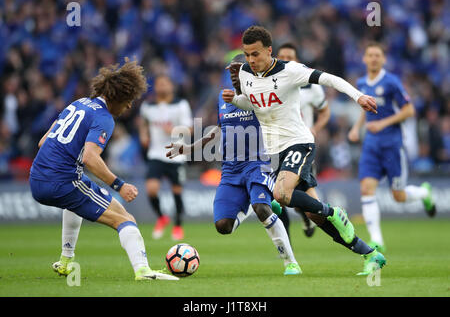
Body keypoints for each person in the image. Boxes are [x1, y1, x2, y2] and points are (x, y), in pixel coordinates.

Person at [223, 25, 384, 276]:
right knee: (314, 214)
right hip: (276, 152)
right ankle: (370, 254)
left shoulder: (291, 70)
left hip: (299, 142)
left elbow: (330, 79)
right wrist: (234, 99)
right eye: (247, 55)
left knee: (281, 195)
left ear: (269, 50)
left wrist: (358, 96)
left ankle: (334, 212)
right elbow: (252, 103)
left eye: (256, 54)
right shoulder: (244, 72)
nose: (251, 60)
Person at [29, 59, 178, 281]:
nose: (128, 107)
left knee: (75, 203)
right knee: (124, 218)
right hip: (62, 181)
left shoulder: (77, 103)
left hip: (36, 178)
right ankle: (143, 271)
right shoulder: (104, 118)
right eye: (128, 101)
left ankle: (65, 261)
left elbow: (43, 142)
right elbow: (90, 157)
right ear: (118, 97)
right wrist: (119, 184)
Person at [166, 53, 302, 276]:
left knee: (263, 210)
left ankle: (291, 262)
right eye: (231, 69)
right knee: (223, 226)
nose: (234, 73)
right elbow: (219, 129)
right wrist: (189, 148)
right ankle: (253, 201)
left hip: (259, 163)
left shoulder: (262, 94)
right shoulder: (223, 97)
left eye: (239, 68)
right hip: (230, 169)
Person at [348, 42, 436, 252]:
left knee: (399, 196)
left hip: (392, 145)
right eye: (370, 55)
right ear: (364, 59)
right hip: (371, 145)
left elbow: (409, 111)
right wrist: (357, 127)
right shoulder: (362, 82)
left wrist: (383, 123)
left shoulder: (392, 82)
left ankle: (424, 193)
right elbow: (365, 107)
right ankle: (377, 240)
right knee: (366, 189)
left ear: (384, 59)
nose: (374, 58)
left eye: (378, 55)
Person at [276, 42, 331, 239]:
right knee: (279, 198)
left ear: (297, 60)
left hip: (301, 147)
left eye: (289, 57)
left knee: (298, 197)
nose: (285, 59)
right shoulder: (270, 84)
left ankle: (317, 216)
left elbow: (325, 111)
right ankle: (286, 242)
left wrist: (315, 128)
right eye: (281, 56)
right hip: (278, 146)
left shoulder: (310, 86)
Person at [138, 75, 193, 241]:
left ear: (171, 86)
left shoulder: (180, 105)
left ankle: (177, 226)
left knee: (176, 191)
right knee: (151, 189)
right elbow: (143, 122)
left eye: (164, 84)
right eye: (158, 84)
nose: (161, 87)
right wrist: (143, 135)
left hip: (176, 154)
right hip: (156, 153)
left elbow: (190, 129)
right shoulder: (148, 106)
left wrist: (174, 130)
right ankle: (162, 217)